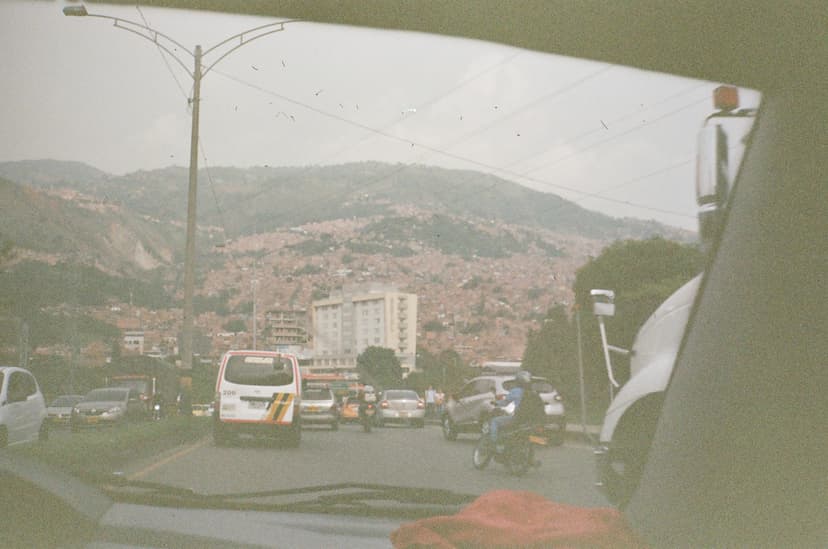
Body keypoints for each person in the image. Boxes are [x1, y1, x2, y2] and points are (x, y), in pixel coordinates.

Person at [488, 370, 542, 451]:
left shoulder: (516, 391)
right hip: (531, 420)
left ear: (518, 381)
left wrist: (496, 403)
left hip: (518, 418)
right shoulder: (534, 392)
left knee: (494, 421)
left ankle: (494, 444)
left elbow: (505, 403)